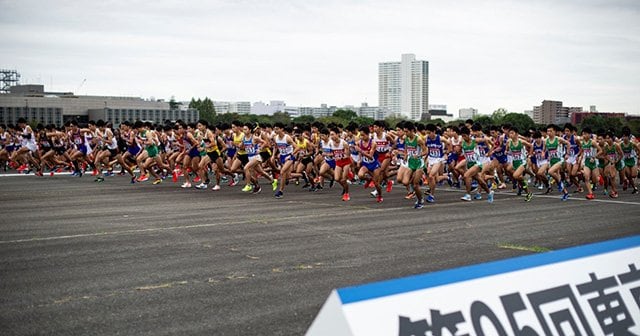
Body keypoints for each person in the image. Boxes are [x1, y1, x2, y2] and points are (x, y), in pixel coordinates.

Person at [459, 126, 494, 203]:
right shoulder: (462, 143)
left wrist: (490, 150)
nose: (464, 137)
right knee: (480, 181)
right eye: (462, 136)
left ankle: (468, 195)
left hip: (477, 164)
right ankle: (489, 192)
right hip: (470, 164)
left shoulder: (475, 141)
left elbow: (487, 139)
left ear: (468, 135)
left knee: (466, 175)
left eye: (465, 136)